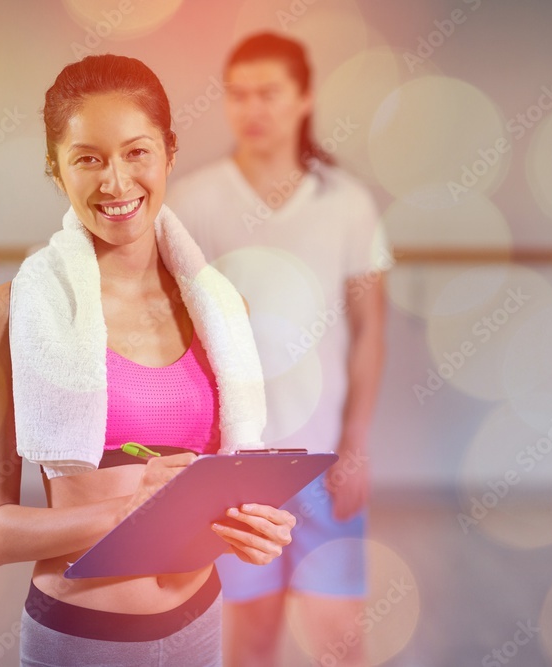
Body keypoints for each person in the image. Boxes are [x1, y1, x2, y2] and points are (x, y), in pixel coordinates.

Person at [0, 53, 296, 666]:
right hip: (85, 639)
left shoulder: (222, 311)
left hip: (200, 620)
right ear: (56, 169)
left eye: (136, 152)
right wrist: (128, 509)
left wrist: (251, 530)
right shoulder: (12, 315)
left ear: (170, 152)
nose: (116, 183)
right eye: (87, 158)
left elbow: (215, 488)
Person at [167, 32, 388, 666]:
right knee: (249, 640)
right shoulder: (192, 202)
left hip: (324, 458)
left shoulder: (348, 203)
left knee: (340, 642)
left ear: (304, 99)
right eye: (238, 95)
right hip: (234, 466)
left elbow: (371, 329)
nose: (252, 109)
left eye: (269, 93)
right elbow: (176, 339)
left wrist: (357, 445)